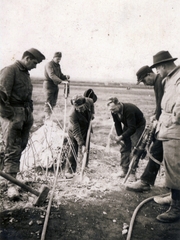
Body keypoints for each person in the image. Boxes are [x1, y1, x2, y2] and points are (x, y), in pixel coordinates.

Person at [0, 48, 45, 200]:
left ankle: (10, 174)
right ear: (26, 58)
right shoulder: (10, 70)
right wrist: (10, 116)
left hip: (25, 114)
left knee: (20, 146)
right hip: (13, 115)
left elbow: (28, 95)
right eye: (34, 62)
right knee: (12, 148)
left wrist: (29, 112)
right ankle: (10, 185)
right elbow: (1, 96)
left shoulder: (25, 73)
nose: (36, 66)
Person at [151, 50, 180, 223]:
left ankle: (176, 208)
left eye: (157, 68)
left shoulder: (178, 78)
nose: (157, 72)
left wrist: (174, 120)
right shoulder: (169, 78)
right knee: (171, 167)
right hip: (167, 128)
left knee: (176, 169)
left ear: (163, 65)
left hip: (175, 129)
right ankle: (174, 197)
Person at [125, 66, 164, 192]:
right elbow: (160, 104)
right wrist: (155, 115)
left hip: (167, 122)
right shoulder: (159, 81)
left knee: (156, 149)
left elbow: (162, 104)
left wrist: (157, 118)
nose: (144, 84)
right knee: (158, 149)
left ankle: (145, 182)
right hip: (164, 120)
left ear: (149, 75)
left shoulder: (159, 81)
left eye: (144, 80)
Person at [107, 97, 146, 179]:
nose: (112, 112)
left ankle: (132, 172)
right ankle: (124, 170)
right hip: (128, 125)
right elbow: (117, 124)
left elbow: (133, 128)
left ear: (118, 104)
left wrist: (121, 137)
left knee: (135, 148)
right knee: (125, 146)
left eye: (113, 109)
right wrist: (120, 138)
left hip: (138, 126)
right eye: (111, 110)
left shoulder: (128, 110)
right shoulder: (114, 111)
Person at [65, 95, 95, 178]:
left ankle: (84, 167)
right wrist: (81, 144)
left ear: (84, 104)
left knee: (86, 149)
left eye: (81, 107)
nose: (78, 109)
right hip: (74, 131)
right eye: (76, 107)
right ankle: (70, 171)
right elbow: (76, 132)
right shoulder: (72, 114)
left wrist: (92, 113)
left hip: (86, 128)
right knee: (73, 148)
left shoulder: (88, 101)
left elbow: (92, 102)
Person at [43, 52, 70, 119]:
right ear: (53, 57)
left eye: (60, 59)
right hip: (49, 85)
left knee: (53, 102)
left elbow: (60, 75)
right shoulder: (49, 64)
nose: (58, 60)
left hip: (55, 85)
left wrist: (65, 76)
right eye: (57, 59)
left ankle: (50, 116)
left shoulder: (58, 65)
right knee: (48, 102)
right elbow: (51, 75)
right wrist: (61, 81)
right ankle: (47, 118)